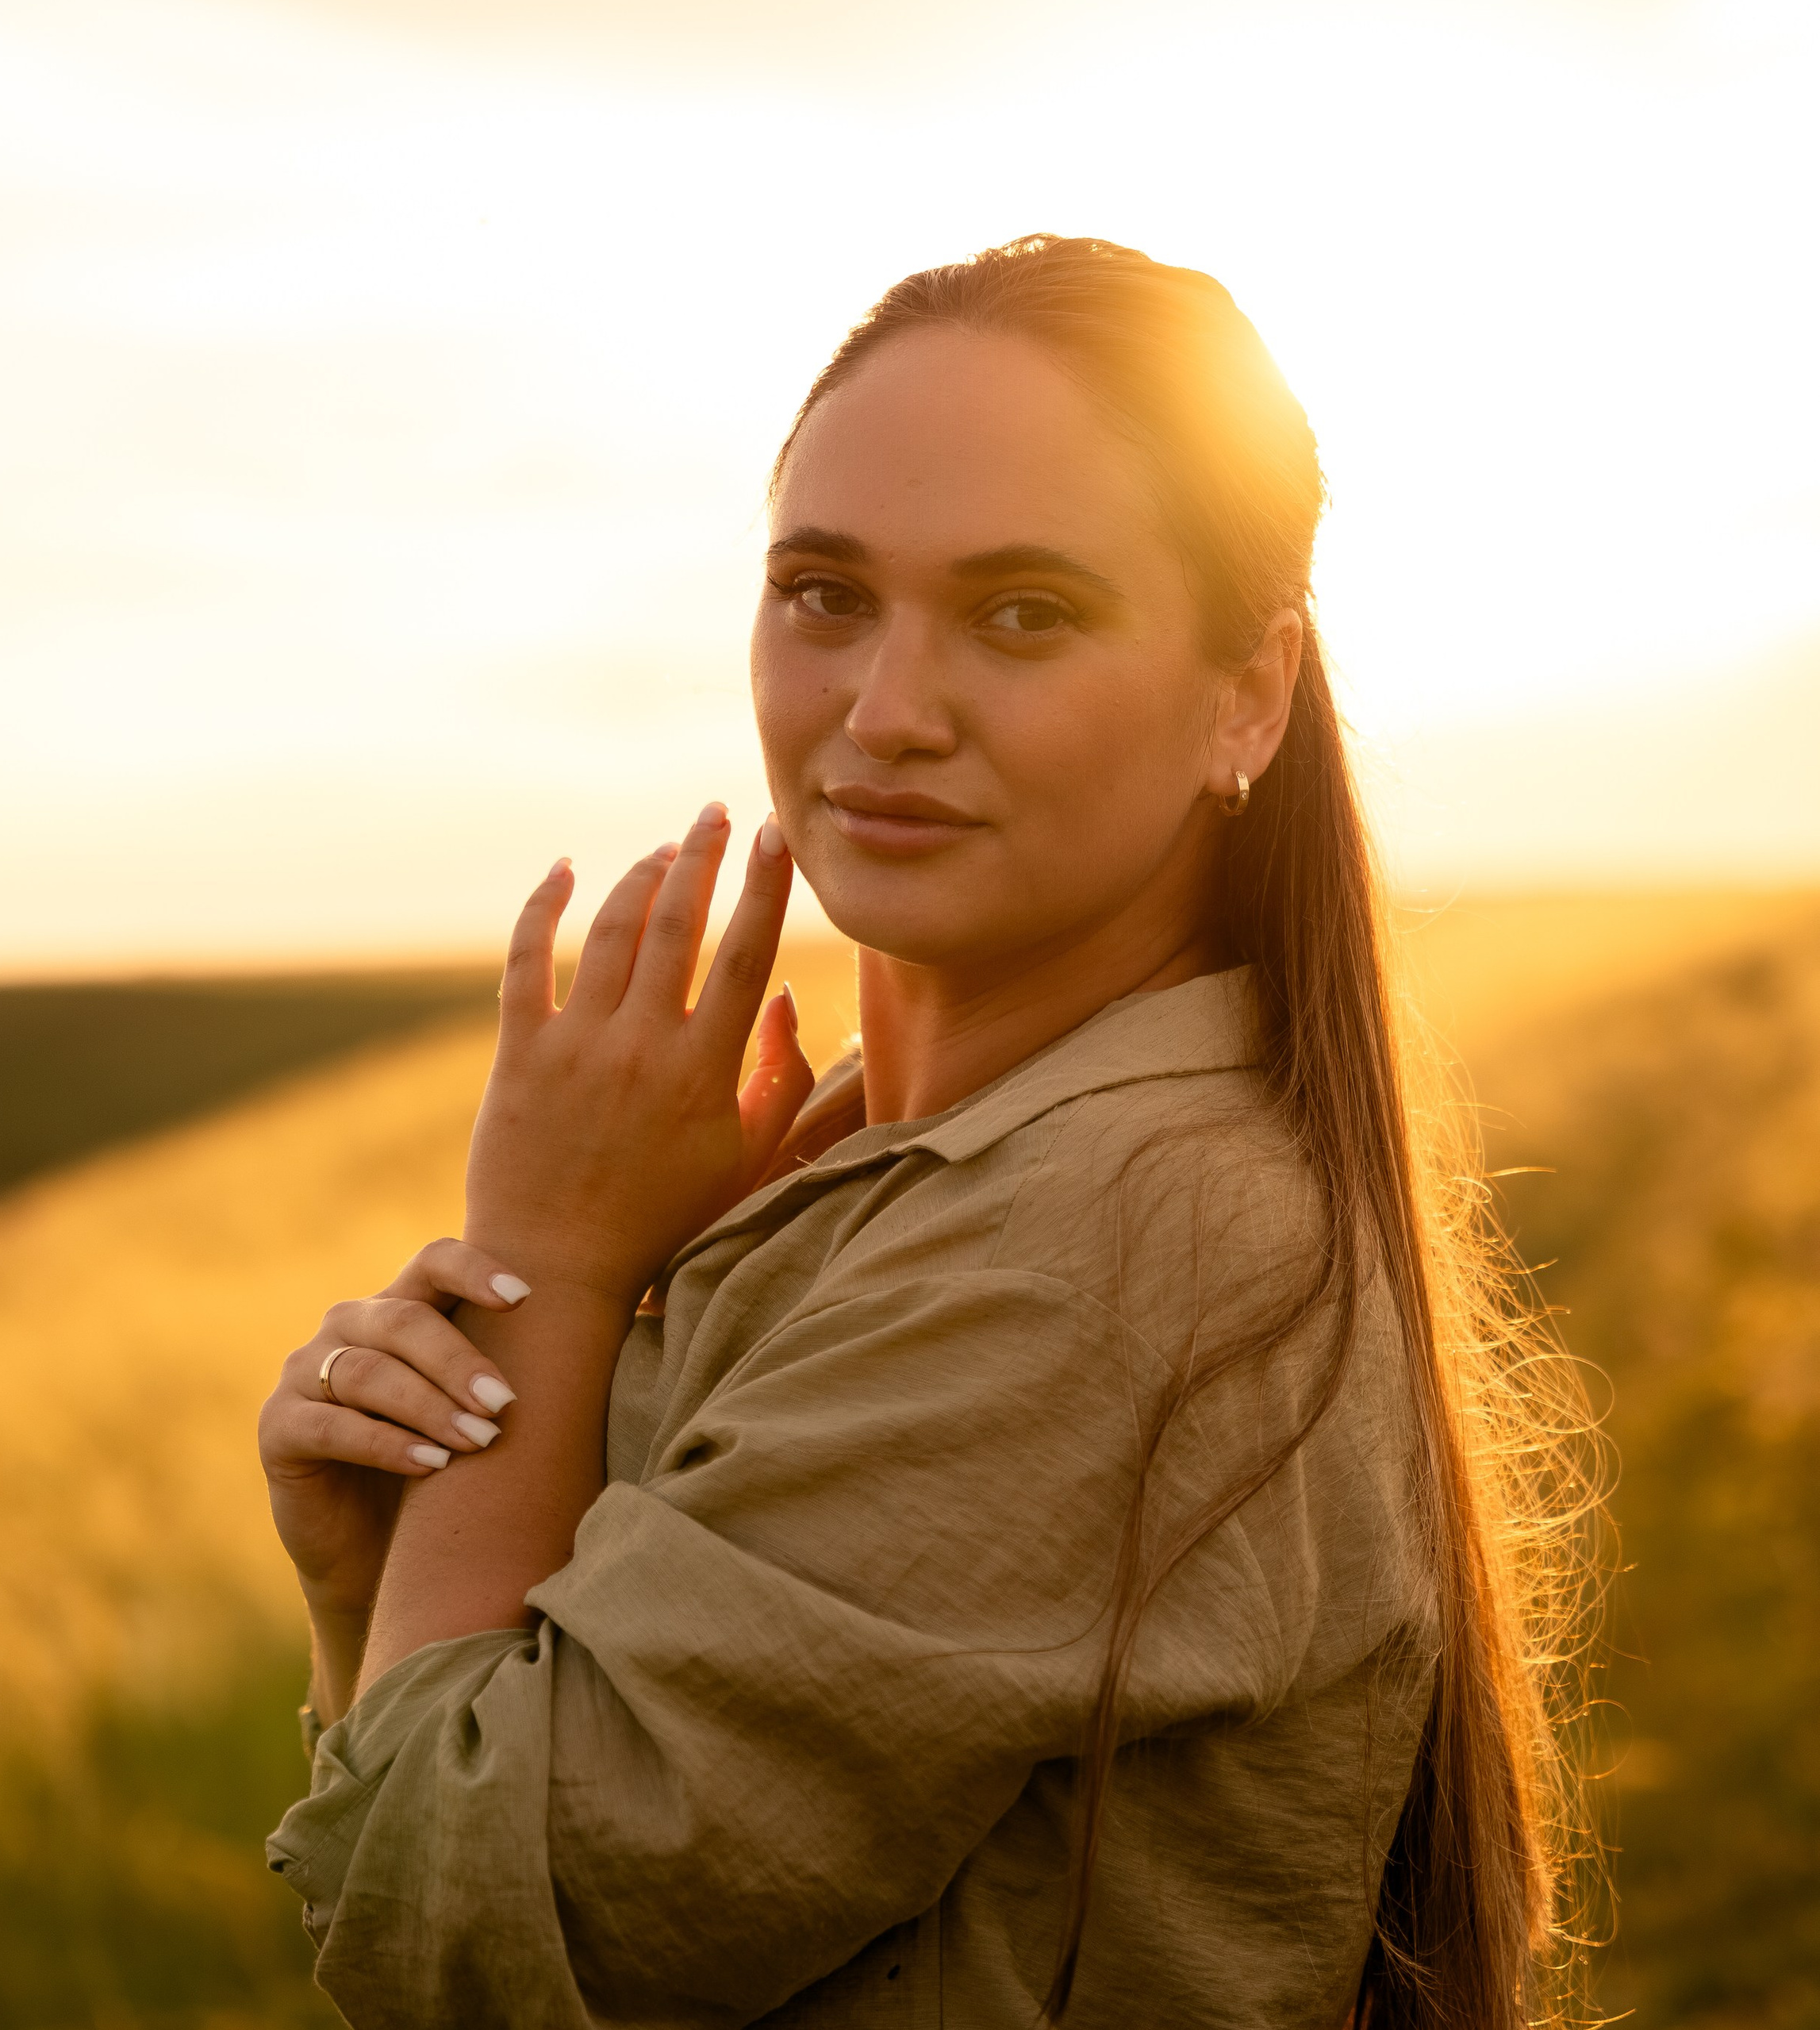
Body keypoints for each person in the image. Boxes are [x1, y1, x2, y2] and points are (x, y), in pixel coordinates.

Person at [259, 235, 1595, 2028]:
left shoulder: (1103, 1235)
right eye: (824, 594)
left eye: (1021, 612)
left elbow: (466, 1943)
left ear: (1246, 694)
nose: (883, 714)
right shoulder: (950, 1180)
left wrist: (554, 1259)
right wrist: (382, 1568)